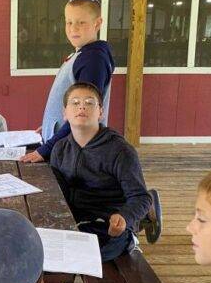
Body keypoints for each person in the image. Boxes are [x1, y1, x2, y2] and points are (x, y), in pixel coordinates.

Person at [49, 82, 160, 259]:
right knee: (45, 253)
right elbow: (57, 191)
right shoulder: (60, 149)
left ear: (100, 112)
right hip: (75, 219)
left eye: (89, 102)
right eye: (75, 102)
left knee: (92, 258)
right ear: (65, 113)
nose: (82, 106)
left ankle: (135, 231)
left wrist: (124, 217)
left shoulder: (120, 150)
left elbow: (140, 197)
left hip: (109, 222)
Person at [21, 0, 115, 163]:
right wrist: (50, 126)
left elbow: (83, 114)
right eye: (69, 22)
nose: (73, 28)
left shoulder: (93, 60)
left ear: (97, 23)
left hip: (74, 154)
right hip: (63, 144)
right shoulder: (81, 55)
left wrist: (46, 149)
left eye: (81, 22)